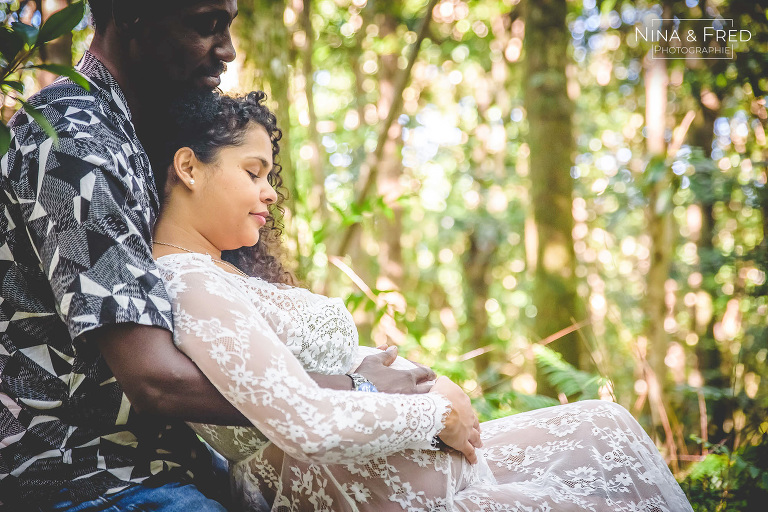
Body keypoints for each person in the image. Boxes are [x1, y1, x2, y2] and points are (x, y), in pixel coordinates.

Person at [150, 90, 695, 511]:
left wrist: (430, 391)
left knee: (604, 426)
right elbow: (304, 422)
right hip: (356, 489)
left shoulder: (222, 271)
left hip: (405, 468)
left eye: (270, 175)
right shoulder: (189, 281)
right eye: (253, 172)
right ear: (190, 167)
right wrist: (436, 415)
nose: (270, 191)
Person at [0, 1, 433, 510]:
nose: (227, 50)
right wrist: (353, 390)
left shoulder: (141, 131)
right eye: (206, 25)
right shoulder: (75, 140)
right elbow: (154, 380)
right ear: (135, 15)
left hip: (173, 459)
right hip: (85, 474)